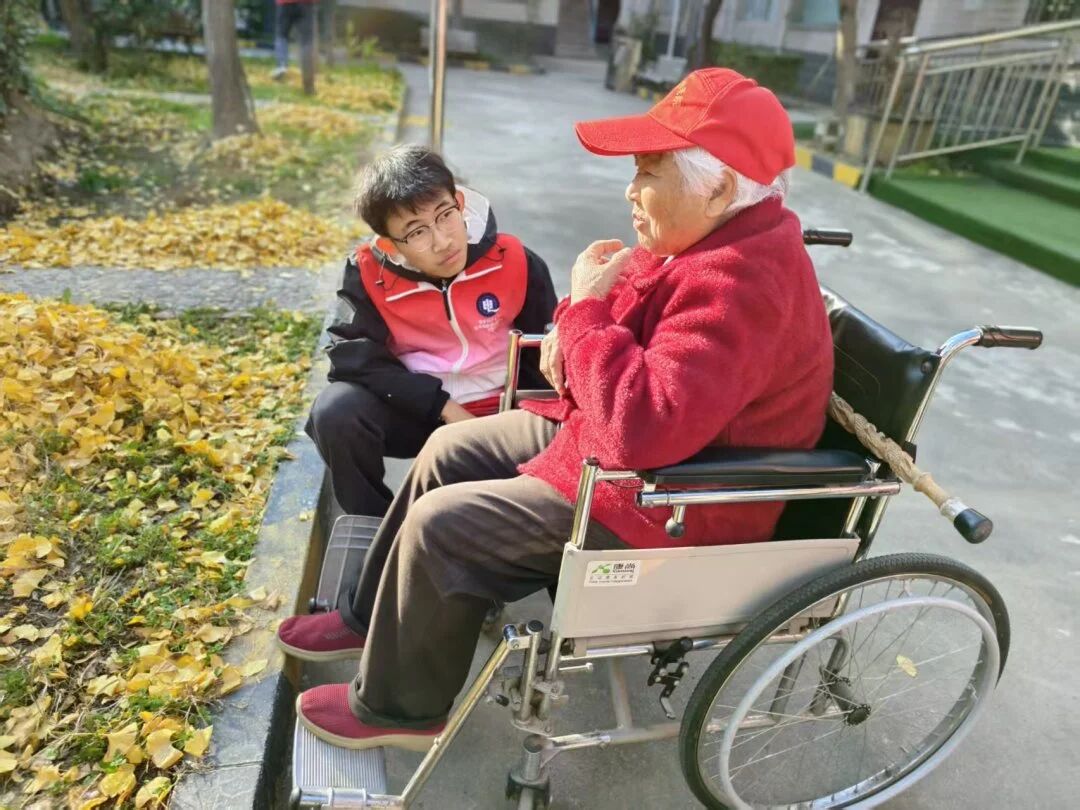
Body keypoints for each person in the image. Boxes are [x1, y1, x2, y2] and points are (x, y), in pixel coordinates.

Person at [278, 68, 835, 751]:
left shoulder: (740, 282)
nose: (631, 190)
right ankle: (372, 618)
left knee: (441, 526)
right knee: (448, 451)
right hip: (629, 450)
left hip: (673, 501)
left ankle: (402, 708)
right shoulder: (706, 241)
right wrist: (582, 314)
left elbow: (639, 425)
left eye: (648, 171)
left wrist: (585, 314)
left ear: (718, 187)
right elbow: (600, 341)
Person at [302, 144, 556, 522]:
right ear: (390, 243)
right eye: (417, 232)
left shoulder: (514, 260)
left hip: (501, 414)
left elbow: (547, 353)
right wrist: (443, 407)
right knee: (336, 412)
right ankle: (374, 526)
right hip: (421, 413)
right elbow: (353, 357)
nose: (442, 241)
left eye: (445, 215)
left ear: (459, 202)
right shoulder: (368, 273)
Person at [271, 0, 318, 87]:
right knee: (306, 41)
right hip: (306, 4)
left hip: (285, 3)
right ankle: (308, 76)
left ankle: (281, 65)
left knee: (282, 35)